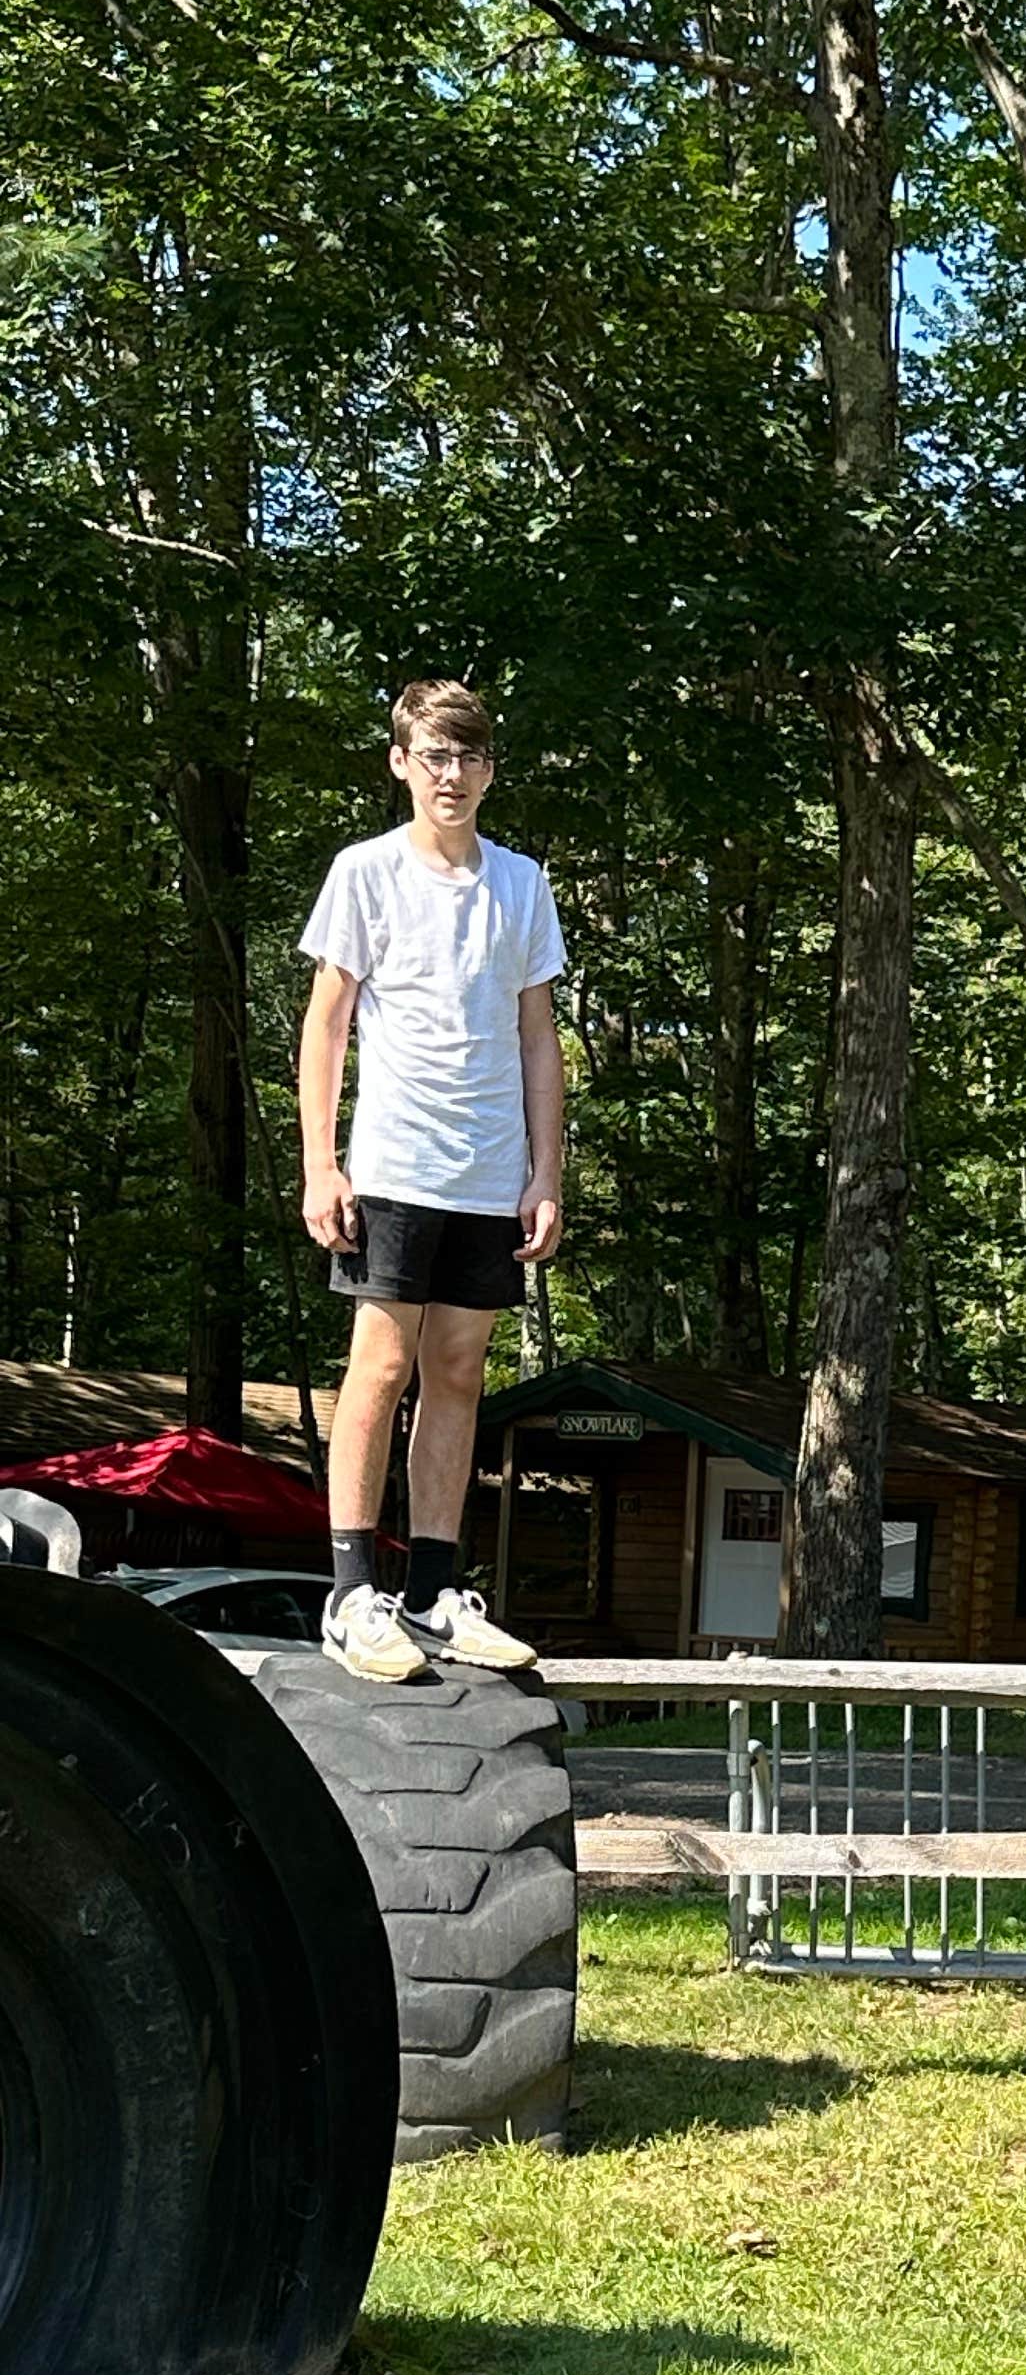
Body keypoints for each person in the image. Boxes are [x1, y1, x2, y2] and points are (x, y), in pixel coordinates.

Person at [297, 678, 563, 1683]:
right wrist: (322, 1163)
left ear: (490, 769)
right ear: (402, 764)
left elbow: (538, 1037)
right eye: (433, 756)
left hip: (489, 1178)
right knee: (380, 1369)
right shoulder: (364, 874)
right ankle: (352, 1594)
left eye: (469, 756)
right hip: (394, 1167)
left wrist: (545, 1173)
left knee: (459, 1375)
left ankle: (436, 1597)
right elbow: (325, 1024)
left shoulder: (521, 885)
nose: (452, 775)